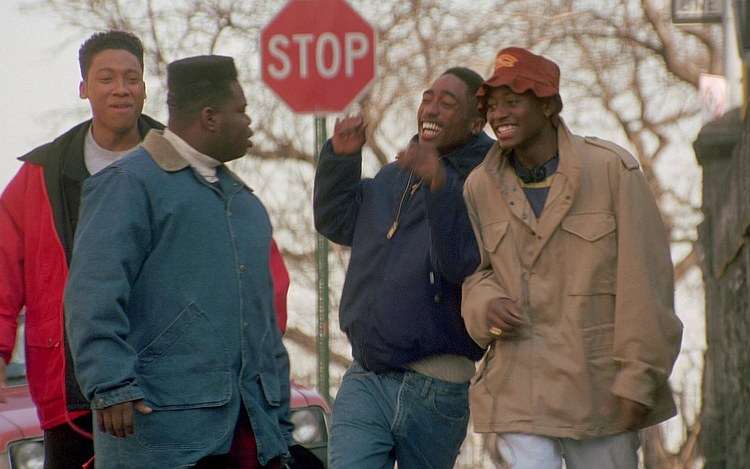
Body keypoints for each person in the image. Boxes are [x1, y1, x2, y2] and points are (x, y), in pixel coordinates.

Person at [63, 55, 294, 468]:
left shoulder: (247, 206)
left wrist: (279, 420)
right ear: (209, 117)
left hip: (250, 429)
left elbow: (265, 329)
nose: (249, 123)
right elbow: (92, 294)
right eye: (241, 111)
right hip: (161, 432)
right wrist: (110, 384)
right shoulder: (127, 184)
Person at [460, 46, 684, 468]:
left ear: (549, 106)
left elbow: (646, 284)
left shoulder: (612, 169)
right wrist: (486, 305)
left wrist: (637, 380)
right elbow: (476, 274)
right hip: (518, 386)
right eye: (492, 105)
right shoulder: (478, 186)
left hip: (598, 390)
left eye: (512, 101)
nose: (498, 114)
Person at [313, 67, 494, 468]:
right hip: (367, 376)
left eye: (448, 103)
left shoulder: (485, 183)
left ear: (475, 122)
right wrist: (341, 158)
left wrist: (439, 184)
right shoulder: (394, 175)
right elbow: (338, 222)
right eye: (428, 99)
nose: (431, 108)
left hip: (436, 386)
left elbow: (459, 264)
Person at [0, 30, 163, 468]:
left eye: (131, 78)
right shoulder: (43, 174)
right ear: (84, 88)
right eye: (106, 78)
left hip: (170, 387)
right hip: (70, 393)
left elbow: (246, 263)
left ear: (145, 88)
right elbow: (2, 268)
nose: (121, 88)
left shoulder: (181, 163)